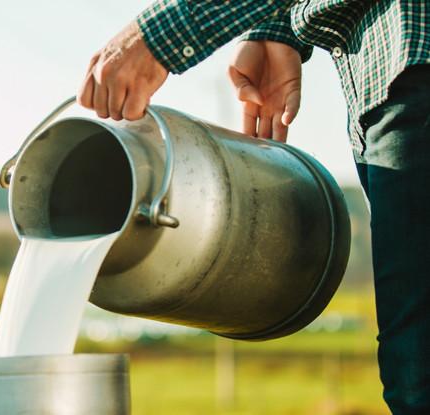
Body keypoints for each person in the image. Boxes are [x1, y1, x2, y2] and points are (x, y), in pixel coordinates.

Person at [78, 1, 429, 414]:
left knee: (418, 375)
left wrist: (156, 35)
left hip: (415, 69)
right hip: (390, 79)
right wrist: (278, 28)